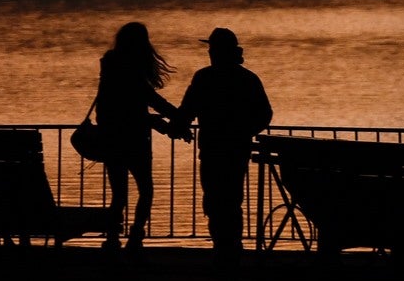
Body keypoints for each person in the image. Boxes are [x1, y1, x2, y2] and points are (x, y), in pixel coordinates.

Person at [175, 27, 273, 265]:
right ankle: (231, 247)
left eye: (212, 49)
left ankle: (222, 246)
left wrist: (177, 125)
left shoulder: (203, 78)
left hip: (212, 149)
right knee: (231, 200)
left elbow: (186, 111)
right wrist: (245, 131)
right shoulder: (247, 78)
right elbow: (265, 114)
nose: (209, 53)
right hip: (236, 149)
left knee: (215, 200)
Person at [95, 21, 182, 253]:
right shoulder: (132, 69)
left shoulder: (111, 66)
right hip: (135, 141)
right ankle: (135, 236)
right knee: (145, 189)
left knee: (119, 194)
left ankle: (113, 237)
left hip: (113, 139)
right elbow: (149, 101)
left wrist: (167, 120)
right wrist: (178, 119)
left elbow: (115, 107)